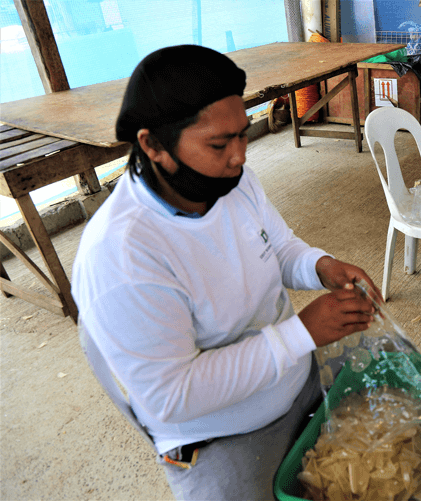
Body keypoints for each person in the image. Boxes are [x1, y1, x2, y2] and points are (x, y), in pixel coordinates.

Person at [71, 44, 379, 501]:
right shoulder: (121, 256)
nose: (240, 156)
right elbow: (173, 395)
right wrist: (300, 334)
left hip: (294, 388)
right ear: (153, 145)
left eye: (242, 134)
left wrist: (320, 266)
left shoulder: (229, 182)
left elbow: (276, 246)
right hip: (221, 437)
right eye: (219, 144)